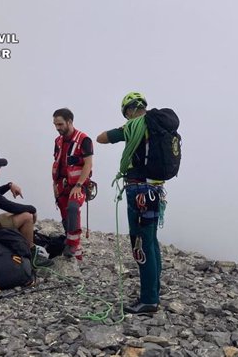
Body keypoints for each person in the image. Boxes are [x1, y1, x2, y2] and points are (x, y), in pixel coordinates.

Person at [97, 92, 167, 314]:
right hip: (156, 189)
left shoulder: (134, 126)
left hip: (138, 190)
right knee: (151, 240)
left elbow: (101, 137)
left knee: (140, 243)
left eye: (127, 113)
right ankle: (153, 289)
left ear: (129, 110)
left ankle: (148, 300)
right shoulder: (159, 128)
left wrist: (126, 127)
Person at [52, 108, 93, 261]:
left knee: (73, 208)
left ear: (69, 122)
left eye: (60, 124)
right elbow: (56, 162)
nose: (57, 128)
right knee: (65, 216)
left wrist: (79, 185)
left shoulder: (84, 140)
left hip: (78, 185)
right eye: (55, 125)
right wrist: (54, 185)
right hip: (62, 184)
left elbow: (88, 164)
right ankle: (76, 256)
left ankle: (72, 244)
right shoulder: (58, 141)